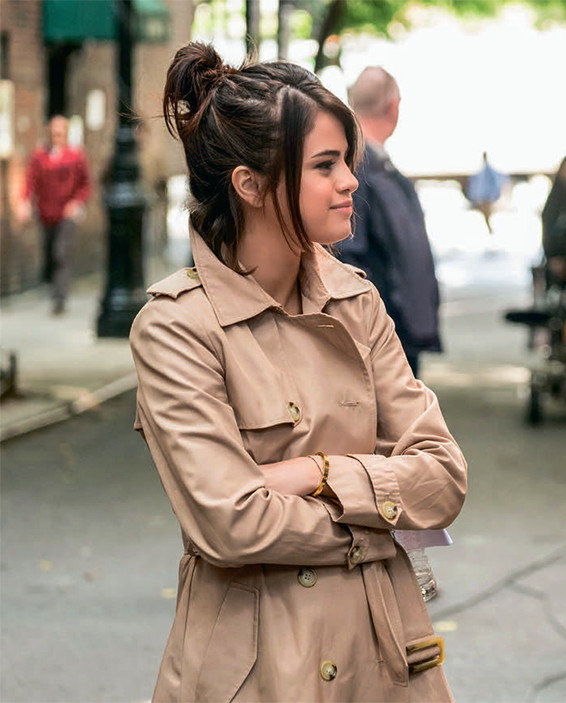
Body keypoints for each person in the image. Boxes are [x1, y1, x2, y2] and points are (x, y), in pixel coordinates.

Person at [130, 42, 466, 701]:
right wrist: (382, 524)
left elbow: (443, 478)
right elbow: (232, 524)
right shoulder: (177, 328)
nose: (350, 181)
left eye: (346, 161)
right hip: (254, 672)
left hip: (382, 659)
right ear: (250, 184)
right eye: (324, 165)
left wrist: (319, 472)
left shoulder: (357, 301)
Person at [336, 66, 441, 379]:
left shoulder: (370, 164)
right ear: (393, 107)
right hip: (384, 336)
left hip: (394, 330)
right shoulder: (359, 166)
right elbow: (348, 256)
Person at [17, 115, 91, 314]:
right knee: (51, 252)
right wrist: (24, 201)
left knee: (61, 252)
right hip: (46, 214)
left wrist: (76, 202)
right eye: (54, 132)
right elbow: (31, 180)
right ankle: (53, 287)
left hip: (67, 215)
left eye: (60, 132)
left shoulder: (75, 156)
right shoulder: (40, 156)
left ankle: (60, 298)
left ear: (66, 134)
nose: (57, 136)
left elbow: (85, 185)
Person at [464, 151, 507, 233]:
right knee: (486, 213)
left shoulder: (485, 172)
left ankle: (489, 228)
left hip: (486, 196)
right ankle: (489, 228)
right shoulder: (482, 172)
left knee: (487, 213)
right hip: (485, 196)